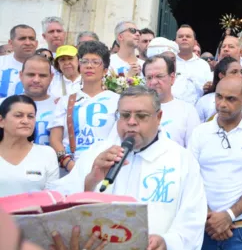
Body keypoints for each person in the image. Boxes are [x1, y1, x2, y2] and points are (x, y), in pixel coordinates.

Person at [49, 86, 207, 249]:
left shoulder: (181, 159)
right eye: (125, 115)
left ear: (158, 117)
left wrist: (167, 242)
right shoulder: (96, 154)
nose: (131, 121)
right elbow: (62, 206)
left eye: (141, 116)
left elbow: (193, 216)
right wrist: (90, 182)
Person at [189, 77, 242, 249]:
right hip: (204, 227)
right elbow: (189, 178)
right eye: (219, 96)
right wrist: (209, 217)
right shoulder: (200, 132)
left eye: (231, 99)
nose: (222, 104)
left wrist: (229, 215)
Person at [48, 41, 119, 173]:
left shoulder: (117, 100)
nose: (89, 66)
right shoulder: (65, 101)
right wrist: (68, 163)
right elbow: (55, 139)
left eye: (95, 62)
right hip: (71, 168)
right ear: (79, 67)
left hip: (106, 167)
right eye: (85, 61)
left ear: (105, 70)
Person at [0, 95, 59, 197]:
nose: (25, 121)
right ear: (1, 121)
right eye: (18, 115)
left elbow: (51, 198)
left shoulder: (47, 154)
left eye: (30, 116)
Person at [143, 55, 201, 148]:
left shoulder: (187, 111)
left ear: (172, 78)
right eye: (149, 77)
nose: (153, 82)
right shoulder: (136, 109)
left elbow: (193, 150)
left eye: (159, 76)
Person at [4, 55, 57, 146]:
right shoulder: (4, 105)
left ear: (51, 77)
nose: (36, 80)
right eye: (31, 74)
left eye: (42, 75)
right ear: (21, 75)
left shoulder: (61, 105)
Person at [196, 57, 242, 122]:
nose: (240, 76)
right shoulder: (204, 102)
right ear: (221, 76)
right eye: (234, 72)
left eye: (241, 72)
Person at [147, 37, 203, 105]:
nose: (171, 63)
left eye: (173, 60)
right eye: (166, 59)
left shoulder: (184, 82)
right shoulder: (140, 80)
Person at [0, 24, 38, 98]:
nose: (28, 43)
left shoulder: (47, 68)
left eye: (31, 38)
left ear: (36, 43)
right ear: (10, 43)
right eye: (22, 38)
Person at [175, 24, 212, 89]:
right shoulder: (168, 62)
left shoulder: (204, 65)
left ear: (195, 43)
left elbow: (209, 88)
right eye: (180, 36)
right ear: (175, 42)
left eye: (188, 36)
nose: (184, 38)